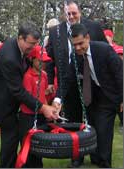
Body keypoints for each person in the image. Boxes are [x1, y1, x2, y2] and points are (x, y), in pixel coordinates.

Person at [0, 21, 59, 168]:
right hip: (1, 103)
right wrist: (43, 108)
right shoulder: (9, 58)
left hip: (10, 100)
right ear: (20, 38)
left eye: (35, 44)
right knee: (10, 138)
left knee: (13, 137)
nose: (32, 48)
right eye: (30, 44)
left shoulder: (19, 47)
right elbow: (18, 91)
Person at [45, 0, 108, 167]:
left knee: (93, 119)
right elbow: (50, 60)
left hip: (91, 82)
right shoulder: (55, 31)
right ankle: (76, 156)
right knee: (73, 121)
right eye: (68, 14)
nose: (71, 16)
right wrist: (51, 81)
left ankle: (96, 154)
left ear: (79, 12)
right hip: (68, 82)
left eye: (74, 13)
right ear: (64, 14)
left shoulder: (93, 27)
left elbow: (105, 50)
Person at [57, 23, 122, 168]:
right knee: (91, 127)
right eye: (75, 45)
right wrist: (57, 98)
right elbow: (68, 79)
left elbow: (120, 74)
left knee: (104, 129)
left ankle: (105, 162)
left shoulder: (104, 49)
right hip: (92, 96)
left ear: (88, 37)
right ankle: (95, 157)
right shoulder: (76, 55)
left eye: (81, 43)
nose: (78, 48)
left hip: (109, 95)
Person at [18, 45, 51, 167]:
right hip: (28, 117)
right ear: (32, 59)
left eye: (45, 61)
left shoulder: (44, 75)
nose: (43, 63)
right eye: (40, 60)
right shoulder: (28, 77)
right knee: (28, 149)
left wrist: (48, 110)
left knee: (39, 147)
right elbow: (28, 99)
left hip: (41, 115)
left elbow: (44, 96)